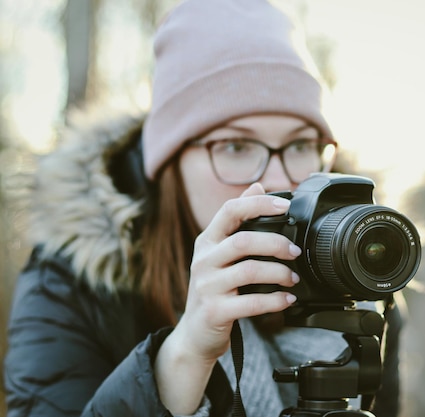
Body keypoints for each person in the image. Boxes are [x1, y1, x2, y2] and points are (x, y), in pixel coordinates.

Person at [4, 0, 404, 416]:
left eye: (302, 144)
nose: (276, 180)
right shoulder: (70, 286)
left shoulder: (362, 279)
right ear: (171, 164)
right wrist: (182, 359)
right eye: (236, 146)